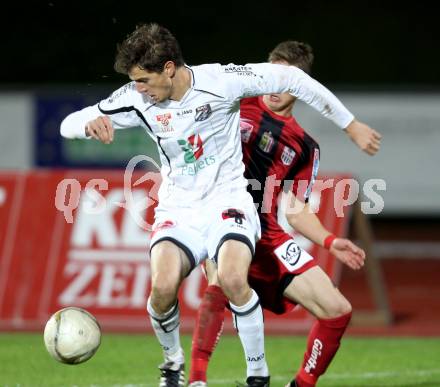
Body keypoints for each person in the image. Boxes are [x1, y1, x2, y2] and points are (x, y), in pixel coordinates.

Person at [60, 23, 378, 387]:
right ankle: (178, 368)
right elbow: (71, 121)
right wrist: (88, 125)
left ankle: (266, 377)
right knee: (166, 288)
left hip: (234, 209)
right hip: (179, 210)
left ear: (168, 68)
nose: (138, 89)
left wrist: (350, 125)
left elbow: (294, 82)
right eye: (134, 81)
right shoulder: (141, 98)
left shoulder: (224, 84)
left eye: (143, 80)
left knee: (243, 281)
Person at [188, 41, 380, 387]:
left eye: (285, 79)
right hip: (222, 217)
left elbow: (296, 209)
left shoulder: (304, 146)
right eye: (269, 74)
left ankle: (303, 384)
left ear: (301, 87)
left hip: (268, 232)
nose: (273, 85)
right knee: (221, 280)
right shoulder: (235, 104)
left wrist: (330, 239)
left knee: (337, 310)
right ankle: (195, 379)